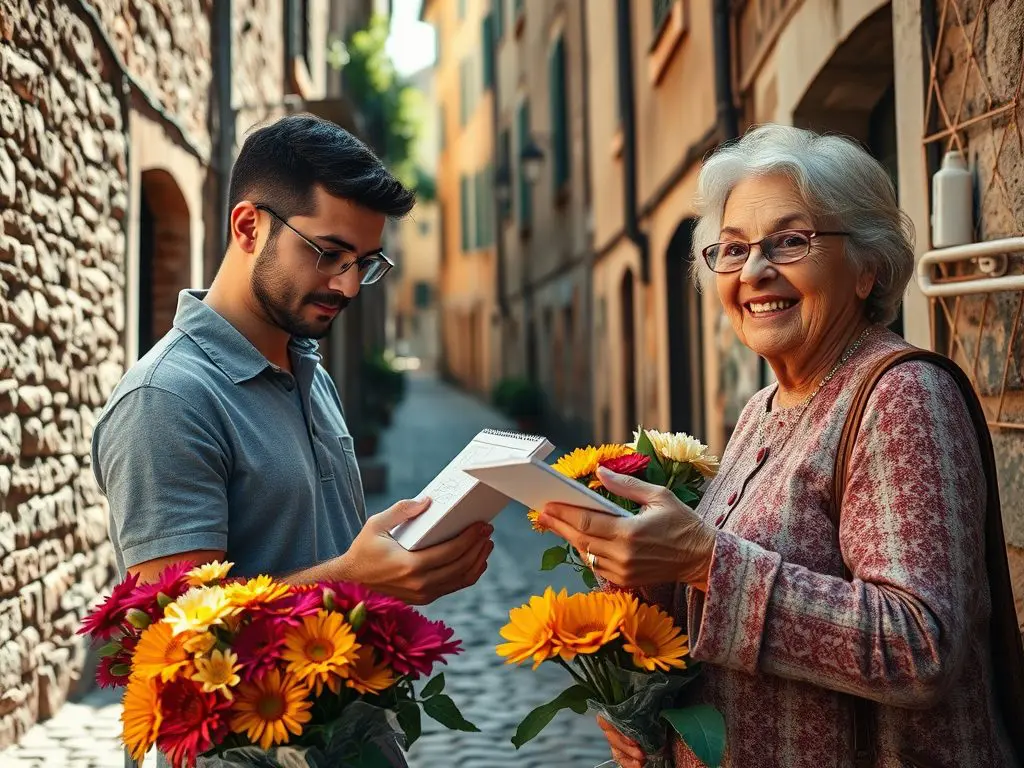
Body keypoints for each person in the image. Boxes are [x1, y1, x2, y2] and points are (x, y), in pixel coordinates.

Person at [538, 124, 1020, 767]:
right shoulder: (762, 410)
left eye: (791, 242)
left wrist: (706, 561)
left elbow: (919, 648)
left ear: (867, 267)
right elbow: (726, 616)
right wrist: (647, 697)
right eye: (732, 249)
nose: (755, 271)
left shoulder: (901, 395)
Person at [93, 114, 493, 600]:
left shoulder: (309, 370)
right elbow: (175, 627)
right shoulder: (165, 399)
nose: (348, 285)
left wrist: (391, 565)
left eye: (364, 264)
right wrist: (353, 578)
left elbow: (330, 556)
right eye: (328, 253)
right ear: (248, 228)